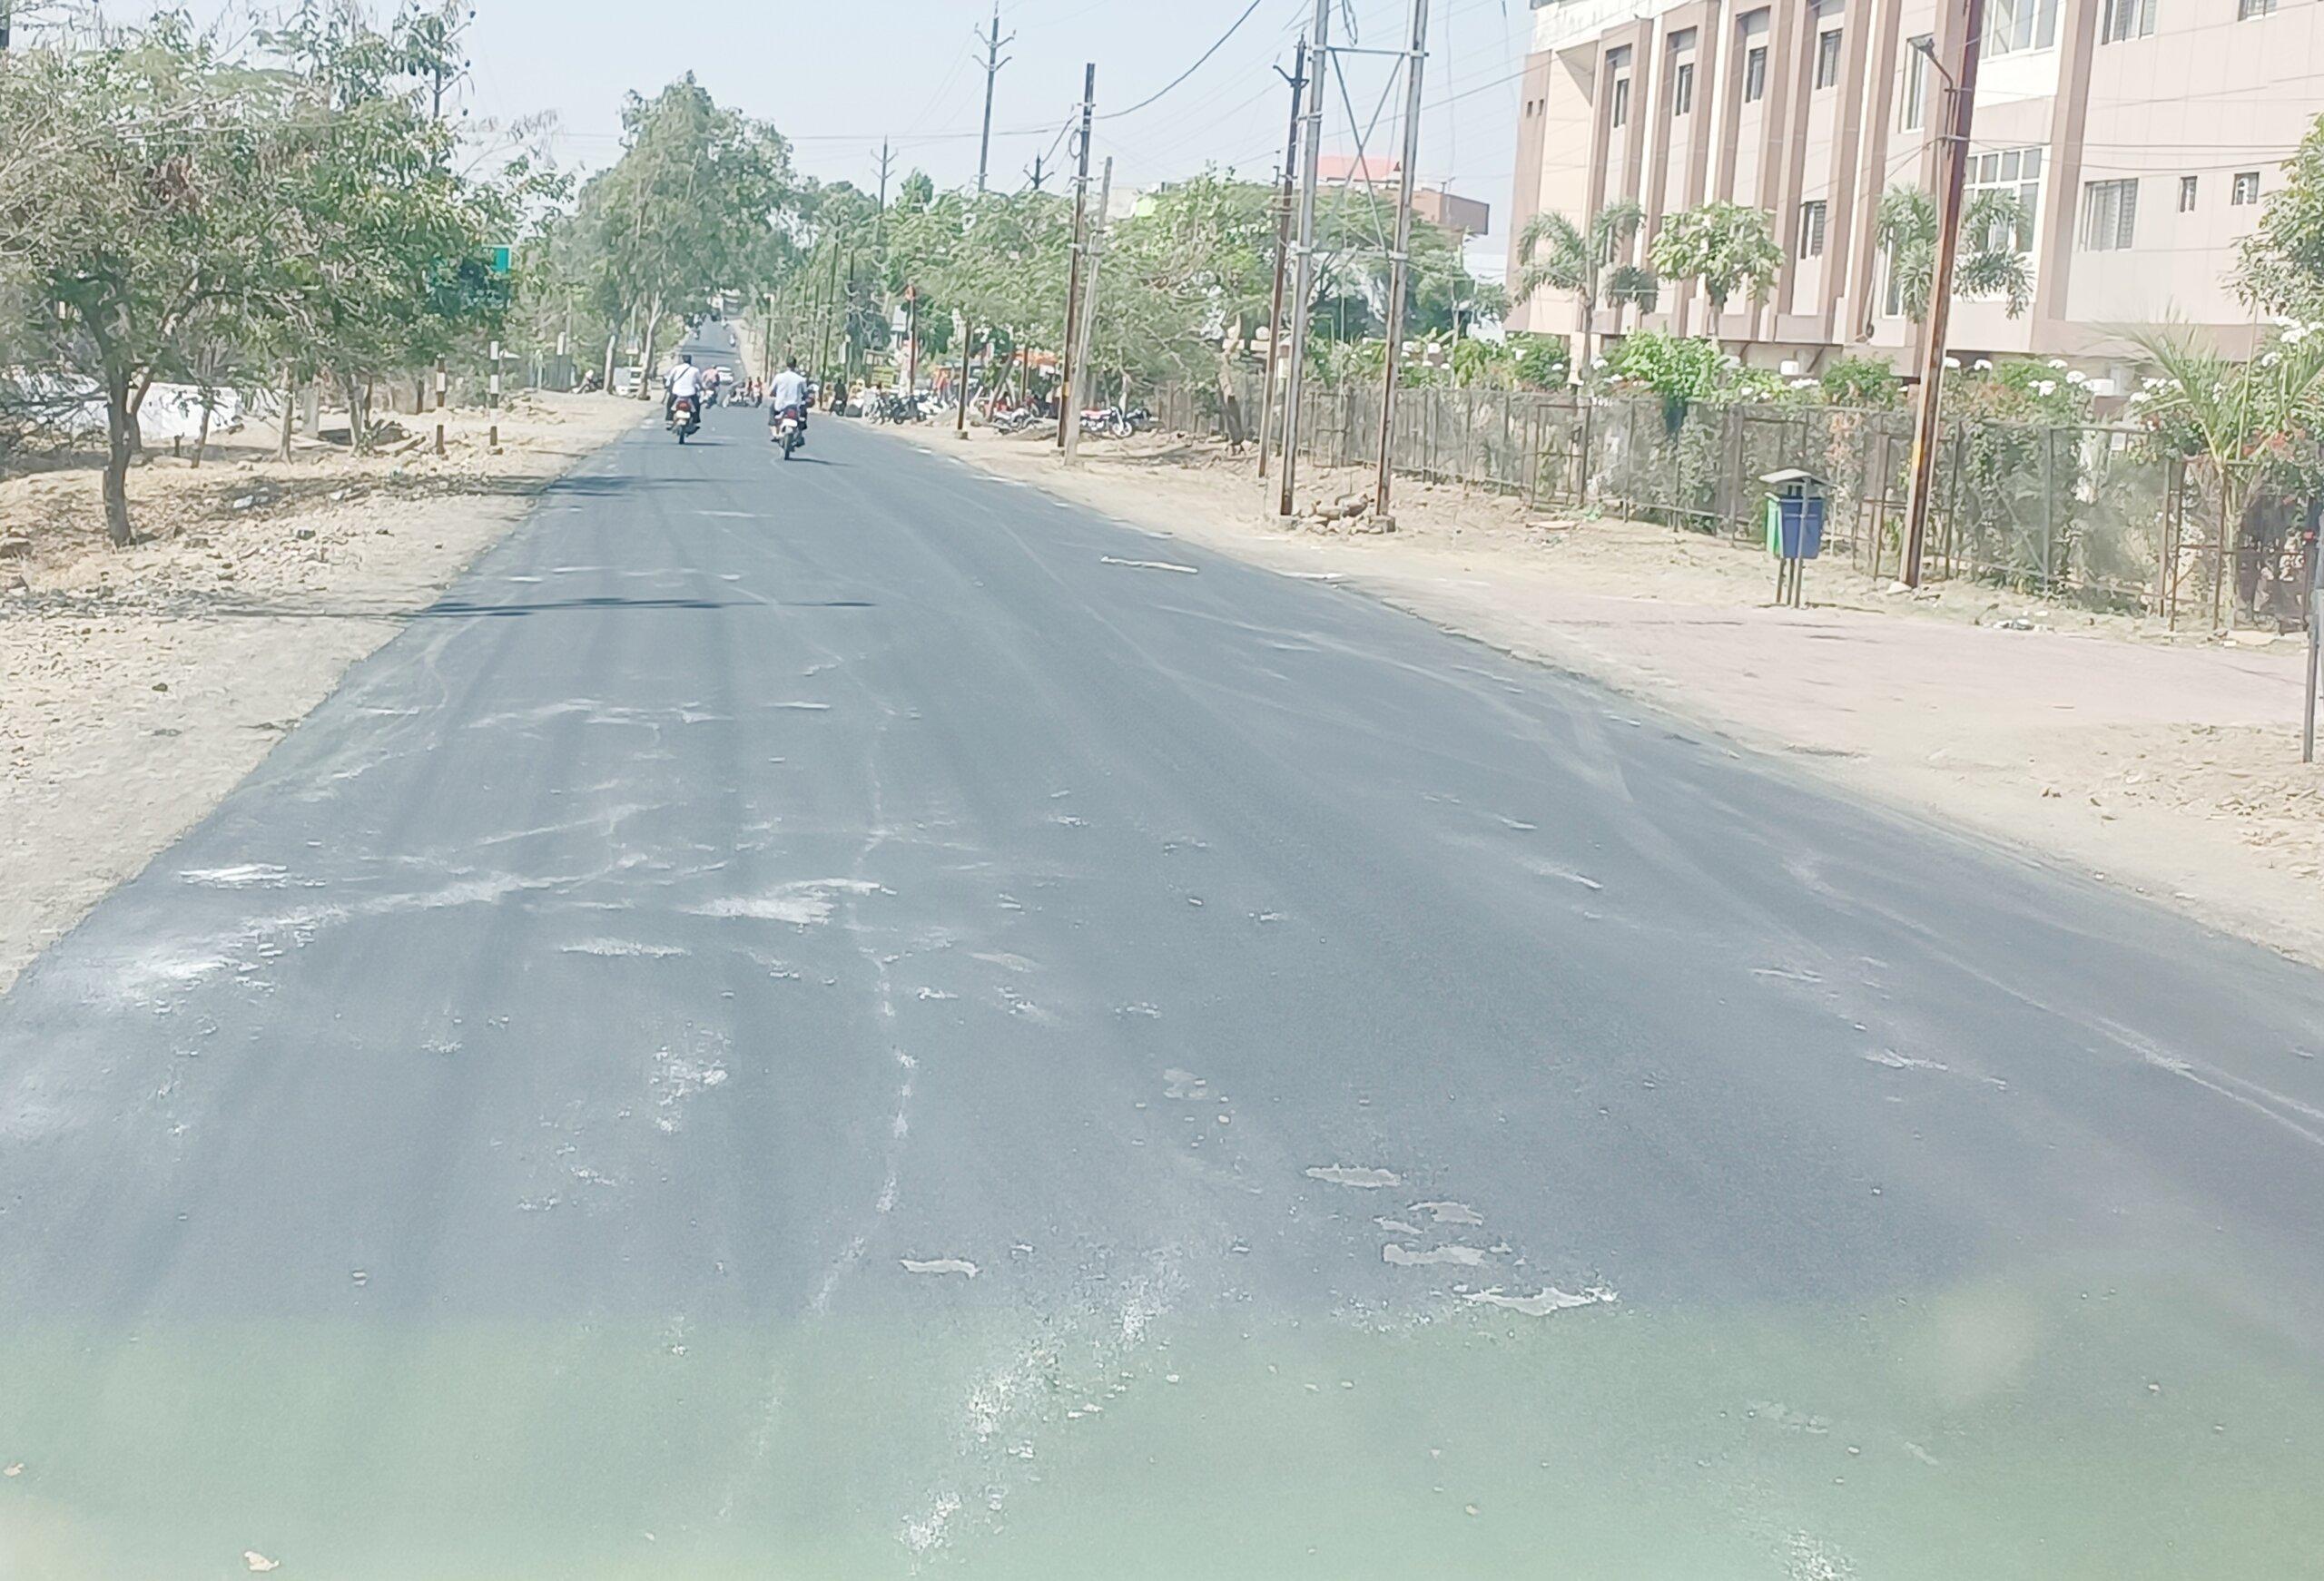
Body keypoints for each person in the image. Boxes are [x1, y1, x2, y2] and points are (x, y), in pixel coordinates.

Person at [769, 357, 811, 437]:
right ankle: (800, 430)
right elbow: (806, 394)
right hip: (795, 406)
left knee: (772, 408)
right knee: (803, 412)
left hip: (780, 406)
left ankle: (774, 427)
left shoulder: (779, 377)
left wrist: (773, 394)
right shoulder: (801, 379)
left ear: (786, 365)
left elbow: (771, 391)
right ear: (795, 365)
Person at [665, 354, 702, 424]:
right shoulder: (695, 370)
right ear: (690, 360)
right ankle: (696, 419)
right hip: (690, 393)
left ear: (682, 360)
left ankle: (669, 417)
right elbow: (700, 381)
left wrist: (667, 385)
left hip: (676, 392)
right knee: (697, 405)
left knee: (670, 403)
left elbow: (669, 378)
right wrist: (702, 387)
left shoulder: (676, 368)